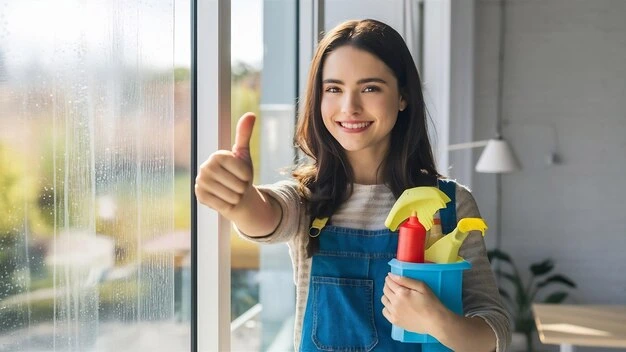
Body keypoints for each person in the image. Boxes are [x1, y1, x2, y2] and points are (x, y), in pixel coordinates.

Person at [195, 19, 511, 352]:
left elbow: (495, 329)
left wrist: (438, 322)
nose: (350, 107)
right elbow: (264, 215)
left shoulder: (451, 204)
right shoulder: (306, 199)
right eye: (333, 89)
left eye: (370, 88)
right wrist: (239, 198)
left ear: (403, 96)